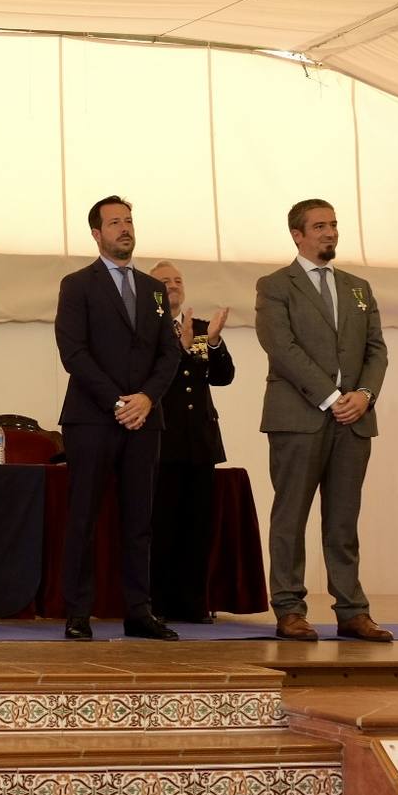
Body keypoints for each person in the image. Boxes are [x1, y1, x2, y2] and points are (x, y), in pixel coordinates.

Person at [255, 199, 392, 642]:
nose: (329, 233)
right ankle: (289, 608)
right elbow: (281, 347)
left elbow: (376, 350)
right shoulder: (275, 285)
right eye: (319, 226)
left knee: (343, 520)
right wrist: (332, 396)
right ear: (297, 234)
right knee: (290, 516)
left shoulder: (358, 287)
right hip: (299, 419)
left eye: (333, 225)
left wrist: (364, 396)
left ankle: (352, 610)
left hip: (354, 420)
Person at [54, 196, 181, 641]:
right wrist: (118, 401)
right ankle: (77, 612)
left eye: (128, 221)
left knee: (139, 520)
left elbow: (169, 352)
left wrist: (146, 398)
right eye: (114, 223)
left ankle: (138, 611)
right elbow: (73, 352)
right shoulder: (77, 285)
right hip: (92, 419)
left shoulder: (152, 289)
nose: (124, 228)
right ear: (96, 233)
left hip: (145, 419)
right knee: (84, 517)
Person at [147, 261, 232, 625]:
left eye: (178, 280)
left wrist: (212, 342)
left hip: (200, 441)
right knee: (163, 525)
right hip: (163, 441)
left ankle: (193, 602)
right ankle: (160, 602)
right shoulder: (146, 330)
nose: (173, 286)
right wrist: (179, 350)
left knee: (198, 527)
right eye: (164, 281)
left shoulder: (200, 329)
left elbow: (224, 377)